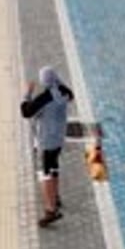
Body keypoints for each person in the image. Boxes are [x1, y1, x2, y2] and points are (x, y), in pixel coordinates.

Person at [20, 66, 74, 228]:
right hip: (59, 137)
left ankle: (50, 210)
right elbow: (70, 96)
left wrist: (27, 93)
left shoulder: (44, 98)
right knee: (54, 166)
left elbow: (26, 112)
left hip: (46, 140)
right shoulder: (64, 91)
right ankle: (55, 197)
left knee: (45, 173)